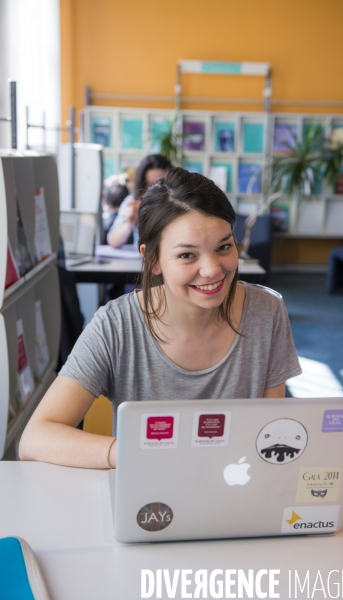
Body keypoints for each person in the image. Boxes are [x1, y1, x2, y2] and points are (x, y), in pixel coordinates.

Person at [19, 168, 301, 469]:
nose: (213, 270)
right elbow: (35, 438)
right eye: (187, 255)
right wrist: (136, 454)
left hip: (237, 488)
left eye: (223, 247)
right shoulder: (116, 325)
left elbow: (274, 429)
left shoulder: (267, 311)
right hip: (149, 499)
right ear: (152, 260)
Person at [107, 154, 172, 248]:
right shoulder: (133, 202)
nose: (154, 189)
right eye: (149, 184)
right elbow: (113, 241)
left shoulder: (178, 202)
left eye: (160, 183)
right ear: (142, 184)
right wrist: (130, 222)